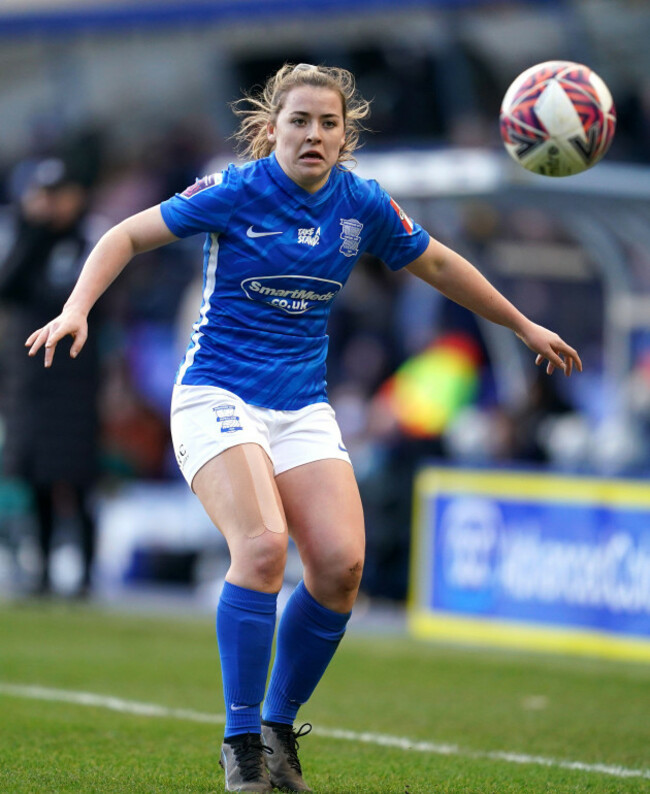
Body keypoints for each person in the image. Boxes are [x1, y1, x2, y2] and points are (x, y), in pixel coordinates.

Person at [26, 63, 582, 792]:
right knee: (261, 548)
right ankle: (240, 745)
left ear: (345, 138)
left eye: (328, 123)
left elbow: (440, 263)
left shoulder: (362, 204)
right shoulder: (236, 189)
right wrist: (77, 308)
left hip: (300, 407)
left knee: (341, 568)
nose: (313, 134)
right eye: (299, 121)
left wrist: (522, 324)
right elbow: (125, 236)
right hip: (216, 395)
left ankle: (278, 728)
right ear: (271, 130)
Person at [0, 156, 104, 598]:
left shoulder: (91, 241)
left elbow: (63, 295)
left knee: (76, 478)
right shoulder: (24, 240)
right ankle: (40, 573)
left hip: (74, 378)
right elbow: (9, 287)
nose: (50, 204)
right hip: (30, 379)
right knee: (36, 477)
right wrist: (35, 231)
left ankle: (84, 577)